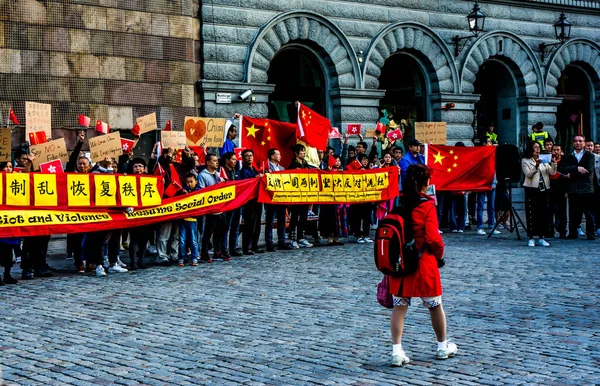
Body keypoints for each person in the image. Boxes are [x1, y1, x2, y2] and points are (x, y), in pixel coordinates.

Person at [388, 163, 457, 366]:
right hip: (423, 260)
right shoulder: (427, 205)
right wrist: (440, 255)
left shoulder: (398, 203)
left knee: (399, 306)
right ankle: (442, 346)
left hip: (401, 261)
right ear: (425, 183)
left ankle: (396, 351)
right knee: (435, 305)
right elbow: (434, 238)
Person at [558, 135, 596, 240]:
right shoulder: (569, 155)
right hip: (573, 188)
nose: (578, 143)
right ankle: (572, 233)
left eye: (580, 141)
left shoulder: (589, 156)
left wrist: (572, 174)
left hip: (586, 188)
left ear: (584, 143)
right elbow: (564, 168)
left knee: (588, 213)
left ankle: (590, 233)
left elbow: (588, 170)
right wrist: (577, 168)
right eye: (575, 141)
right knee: (573, 213)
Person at [521, 141, 556, 247]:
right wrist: (536, 165)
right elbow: (528, 174)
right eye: (535, 147)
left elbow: (552, 172)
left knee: (543, 213)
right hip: (532, 189)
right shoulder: (525, 160)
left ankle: (542, 236)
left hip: (543, 188)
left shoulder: (544, 160)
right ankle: (531, 236)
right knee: (532, 213)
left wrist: (553, 163)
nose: (537, 149)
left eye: (538, 147)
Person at [198, 154, 229, 261]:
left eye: (217, 161)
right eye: (214, 161)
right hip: (209, 210)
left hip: (220, 209)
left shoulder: (219, 174)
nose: (217, 162)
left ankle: (218, 251)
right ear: (207, 162)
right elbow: (201, 191)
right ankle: (204, 253)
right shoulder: (202, 175)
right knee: (207, 232)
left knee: (221, 230)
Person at [264, 148, 293, 251]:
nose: (280, 156)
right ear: (272, 156)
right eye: (278, 154)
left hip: (281, 197)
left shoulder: (281, 168)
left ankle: (282, 241)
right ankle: (269, 242)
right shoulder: (266, 168)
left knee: (282, 220)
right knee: (270, 221)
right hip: (270, 198)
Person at [239, 149, 266, 254]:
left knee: (257, 224)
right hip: (249, 202)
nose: (249, 157)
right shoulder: (243, 171)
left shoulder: (254, 169)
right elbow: (246, 184)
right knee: (249, 225)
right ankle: (246, 247)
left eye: (251, 155)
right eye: (247, 156)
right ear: (243, 158)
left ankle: (254, 245)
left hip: (257, 200)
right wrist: (255, 178)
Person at [287, 144, 313, 248]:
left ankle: (301, 237)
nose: (303, 153)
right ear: (296, 153)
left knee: (303, 216)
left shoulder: (305, 163)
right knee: (294, 217)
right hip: (296, 194)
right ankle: (292, 239)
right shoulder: (293, 164)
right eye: (301, 151)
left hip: (305, 193)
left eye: (304, 151)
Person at [178, 173, 201, 266]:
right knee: (182, 241)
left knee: (193, 240)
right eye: (187, 182)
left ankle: (194, 258)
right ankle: (181, 258)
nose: (189, 184)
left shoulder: (198, 191)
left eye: (191, 182)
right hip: (183, 219)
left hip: (193, 220)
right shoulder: (183, 190)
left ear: (196, 181)